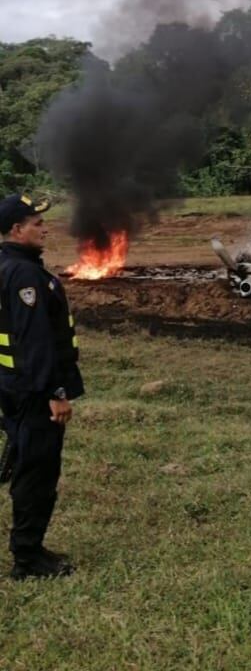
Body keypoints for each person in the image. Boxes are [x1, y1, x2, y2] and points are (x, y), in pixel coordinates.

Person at [0, 194, 84, 580]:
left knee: (27, 466)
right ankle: (28, 559)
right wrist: (56, 393)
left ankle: (29, 548)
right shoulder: (25, 276)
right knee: (37, 473)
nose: (45, 228)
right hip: (34, 394)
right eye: (37, 223)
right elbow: (35, 341)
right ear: (16, 230)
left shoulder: (9, 266)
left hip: (15, 388)